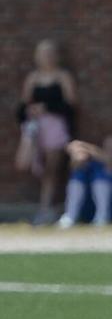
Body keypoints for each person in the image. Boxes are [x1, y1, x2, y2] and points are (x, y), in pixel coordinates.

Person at [14, 39, 78, 225]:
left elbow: (71, 104)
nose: (47, 57)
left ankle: (45, 208)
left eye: (50, 53)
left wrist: (48, 107)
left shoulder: (63, 76)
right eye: (43, 53)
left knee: (51, 168)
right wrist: (31, 111)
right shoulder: (33, 78)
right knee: (25, 163)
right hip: (35, 127)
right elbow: (22, 106)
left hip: (56, 126)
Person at [57, 134, 112, 227]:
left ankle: (103, 217)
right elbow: (74, 166)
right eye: (107, 147)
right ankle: (70, 216)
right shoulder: (96, 164)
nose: (111, 150)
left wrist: (85, 147)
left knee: (101, 177)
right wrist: (76, 153)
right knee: (78, 175)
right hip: (89, 208)